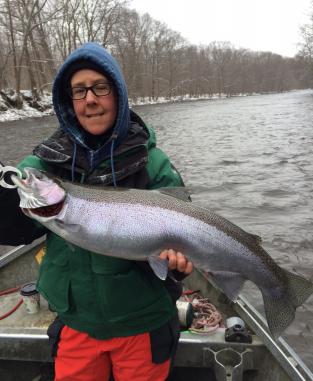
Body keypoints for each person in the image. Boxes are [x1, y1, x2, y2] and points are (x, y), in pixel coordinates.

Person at [0, 42, 193, 381]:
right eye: (79, 91)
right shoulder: (45, 161)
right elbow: (13, 228)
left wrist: (178, 268)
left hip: (143, 325)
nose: (90, 99)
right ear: (68, 102)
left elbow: (183, 242)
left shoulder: (155, 163)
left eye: (100, 87)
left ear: (117, 94)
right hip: (76, 324)